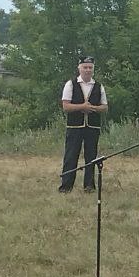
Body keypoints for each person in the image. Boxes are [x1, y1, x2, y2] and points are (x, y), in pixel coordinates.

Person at [59, 56, 108, 192]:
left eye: (90, 67)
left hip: (92, 127)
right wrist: (82, 107)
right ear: (79, 68)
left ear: (93, 69)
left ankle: (89, 185)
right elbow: (66, 106)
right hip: (75, 127)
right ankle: (66, 186)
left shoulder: (99, 86)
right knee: (71, 156)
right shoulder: (71, 84)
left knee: (91, 156)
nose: (87, 70)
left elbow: (104, 107)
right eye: (85, 67)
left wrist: (93, 108)